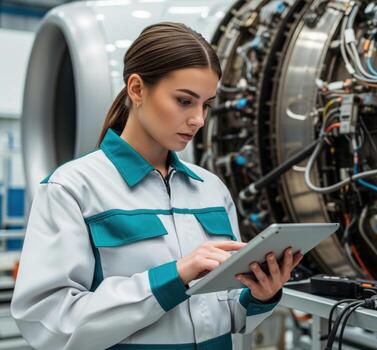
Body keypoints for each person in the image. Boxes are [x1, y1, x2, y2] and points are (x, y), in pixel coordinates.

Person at [10, 22, 303, 350]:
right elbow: (48, 322)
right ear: (136, 89)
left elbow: (228, 313)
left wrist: (259, 296)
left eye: (205, 104)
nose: (199, 120)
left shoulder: (211, 188)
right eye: (184, 101)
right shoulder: (72, 189)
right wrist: (173, 278)